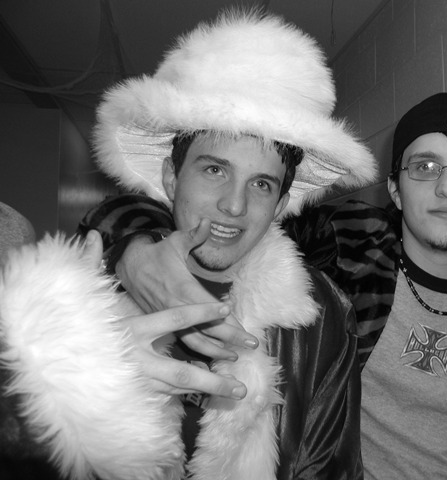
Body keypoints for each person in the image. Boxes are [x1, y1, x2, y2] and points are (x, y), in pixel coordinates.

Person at [87, 92, 447, 479]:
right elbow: (226, 215)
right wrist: (134, 247)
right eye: (425, 167)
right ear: (394, 189)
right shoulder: (344, 245)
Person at [2, 10, 378, 480]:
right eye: (214, 170)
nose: (234, 206)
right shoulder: (83, 290)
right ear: (171, 176)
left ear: (281, 204)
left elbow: (329, 468)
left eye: (262, 184)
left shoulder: (324, 314)